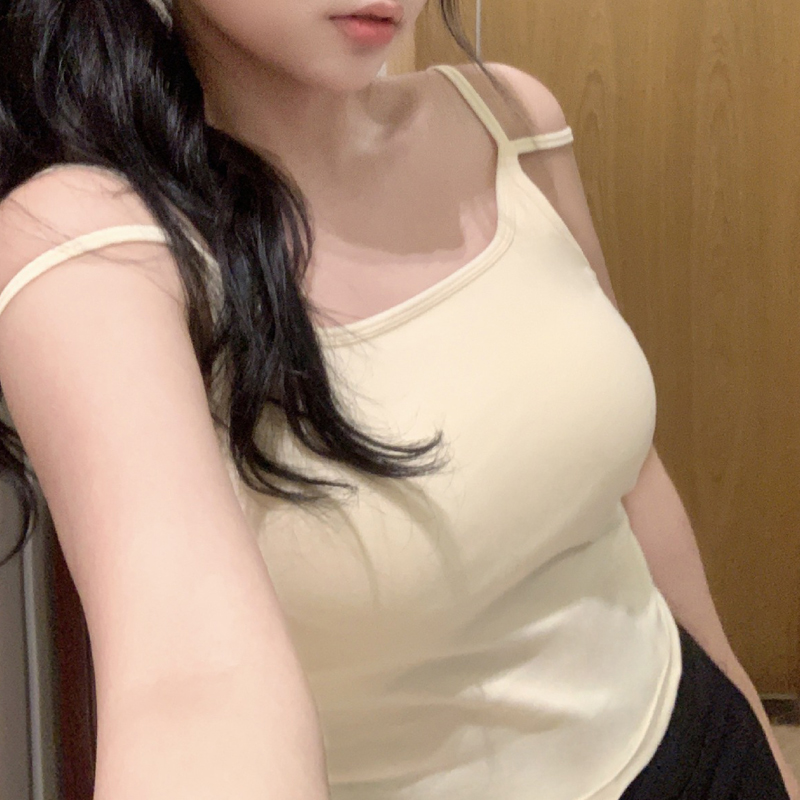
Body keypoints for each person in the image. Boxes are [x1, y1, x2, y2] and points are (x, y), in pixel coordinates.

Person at [0, 1, 795, 799]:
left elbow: (632, 478)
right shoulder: (91, 245)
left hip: (702, 741)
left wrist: (753, 726)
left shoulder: (508, 116)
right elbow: (191, 689)